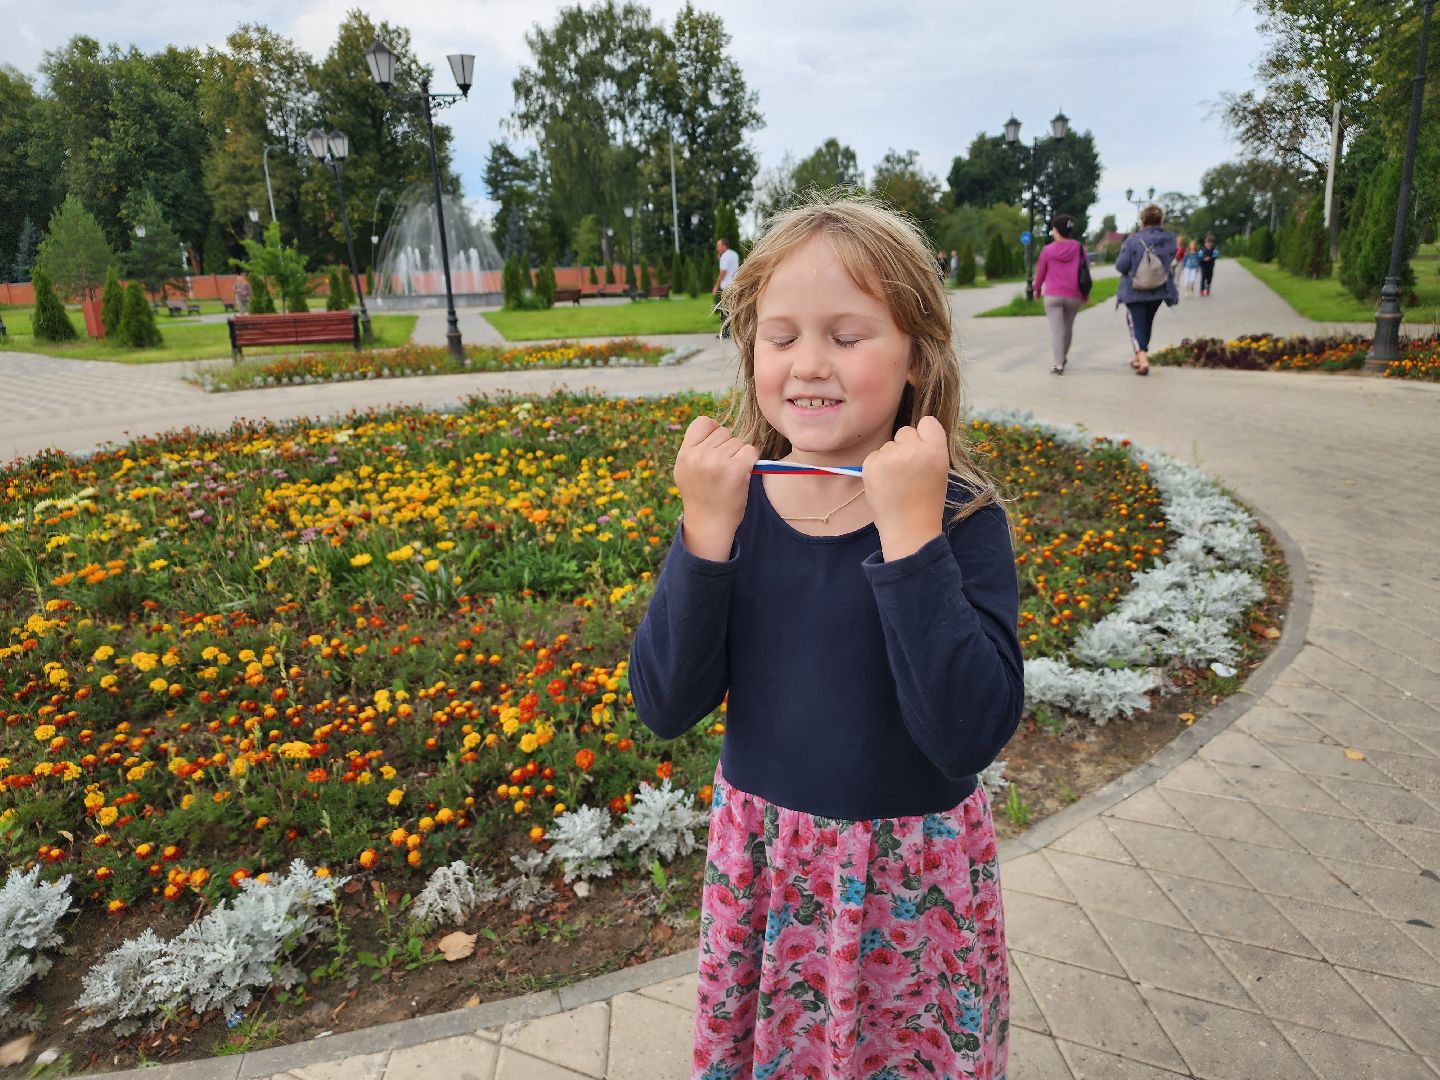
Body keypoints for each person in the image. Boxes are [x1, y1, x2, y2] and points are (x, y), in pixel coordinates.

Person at [629, 194, 1021, 1079]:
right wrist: (702, 537)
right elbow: (664, 704)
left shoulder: (959, 516)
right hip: (771, 874)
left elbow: (968, 731)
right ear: (750, 349)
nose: (809, 363)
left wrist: (912, 537)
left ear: (916, 356)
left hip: (910, 886)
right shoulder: (732, 510)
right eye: (781, 336)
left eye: (847, 336)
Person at [1114, 203, 1178, 376]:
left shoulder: (1133, 240)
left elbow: (1121, 265)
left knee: (1135, 324)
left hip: (1135, 290)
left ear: (1143, 220)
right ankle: (1139, 356)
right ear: (1160, 220)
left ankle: (1142, 359)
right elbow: (1172, 259)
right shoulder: (1169, 240)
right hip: (1158, 289)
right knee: (1147, 324)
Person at [1033, 212, 1090, 375]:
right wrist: (1085, 294)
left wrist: (1037, 291)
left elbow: (1040, 273)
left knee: (1057, 331)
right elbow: (1086, 271)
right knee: (1067, 328)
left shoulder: (1047, 250)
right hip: (1074, 295)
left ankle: (1059, 364)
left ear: (1056, 230)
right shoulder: (1079, 248)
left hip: (1052, 296)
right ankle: (1062, 357)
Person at [712, 237, 741, 337]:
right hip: (734, 284)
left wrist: (716, 286)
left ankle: (725, 333)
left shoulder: (724, 256)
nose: (717, 248)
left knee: (724, 310)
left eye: (718, 246)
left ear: (724, 246)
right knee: (732, 308)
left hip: (726, 286)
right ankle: (734, 331)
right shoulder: (734, 254)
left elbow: (723, 272)